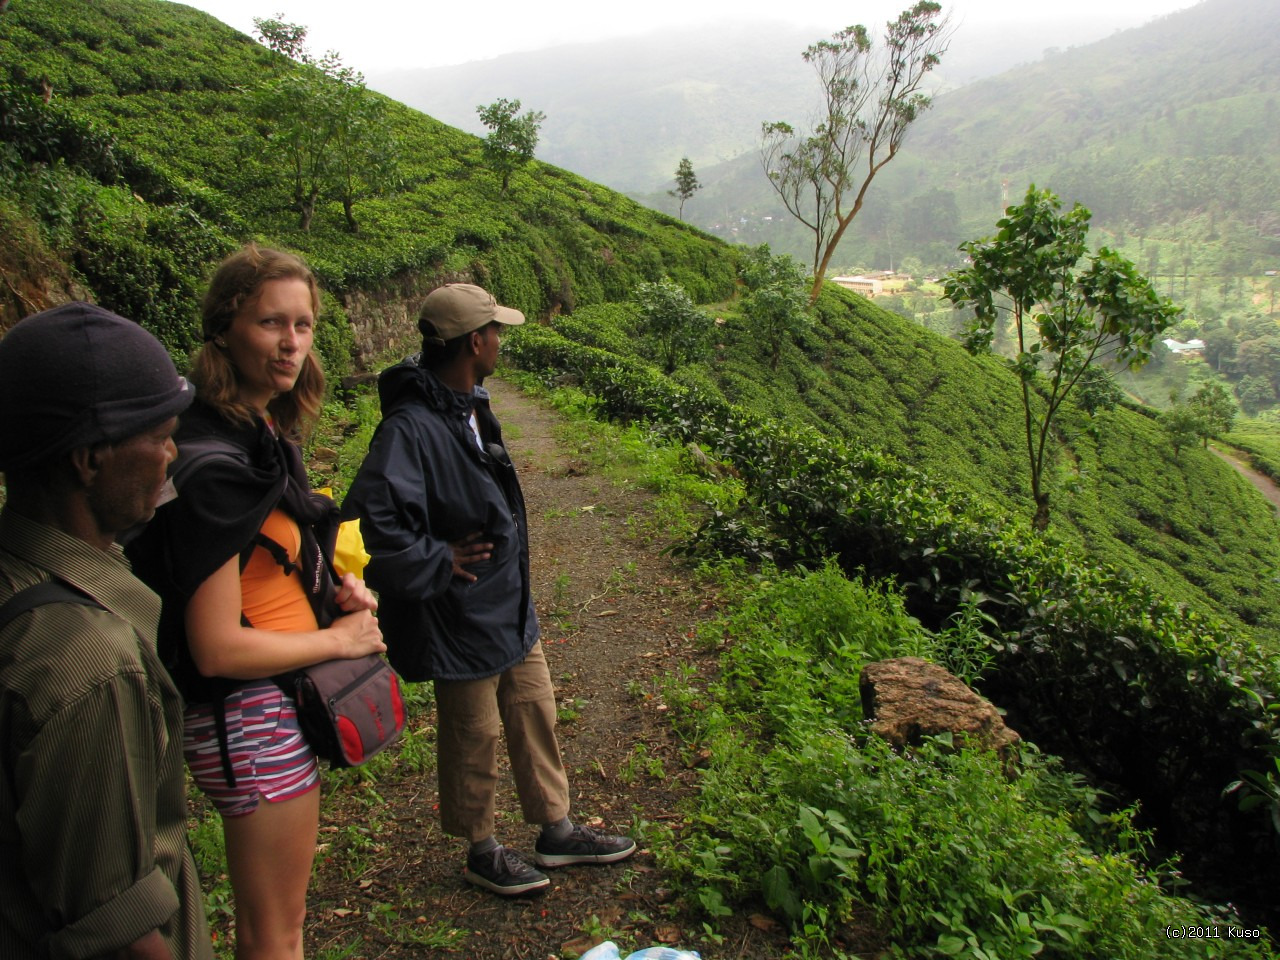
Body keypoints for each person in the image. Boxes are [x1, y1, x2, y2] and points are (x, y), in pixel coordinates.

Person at [127, 245, 385, 959]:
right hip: (248, 717)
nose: (292, 343)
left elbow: (256, 569)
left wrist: (330, 591)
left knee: (275, 925)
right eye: (272, 323)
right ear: (224, 328)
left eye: (303, 325)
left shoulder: (256, 432)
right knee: (277, 933)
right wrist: (342, 641)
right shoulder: (215, 468)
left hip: (258, 712)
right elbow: (216, 643)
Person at [343, 282, 636, 896]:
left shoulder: (467, 402)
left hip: (506, 599)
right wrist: (436, 558)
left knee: (534, 709)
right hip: (459, 611)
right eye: (497, 331)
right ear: (475, 342)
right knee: (473, 732)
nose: (502, 339)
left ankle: (556, 828)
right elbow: (370, 523)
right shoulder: (411, 429)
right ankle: (482, 848)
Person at [0, 302, 211, 959]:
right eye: (162, 436)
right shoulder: (88, 662)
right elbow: (114, 931)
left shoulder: (21, 588)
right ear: (91, 458)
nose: (173, 456)